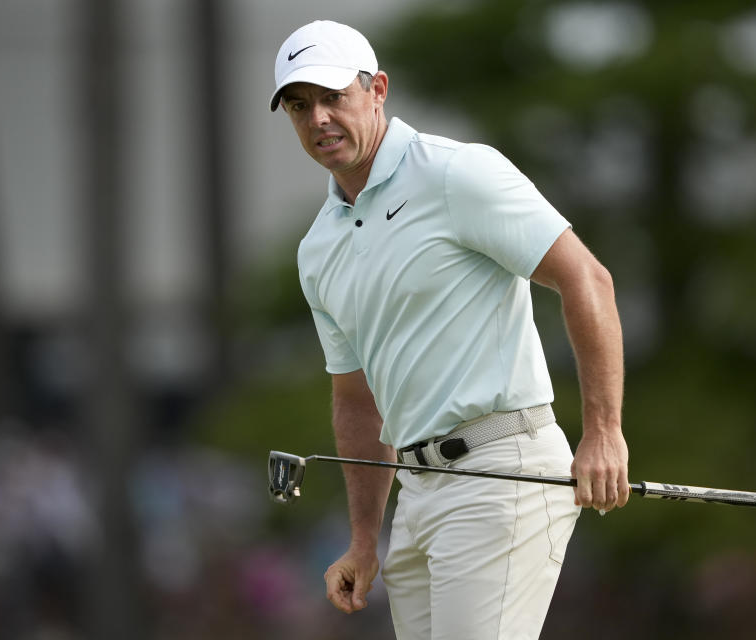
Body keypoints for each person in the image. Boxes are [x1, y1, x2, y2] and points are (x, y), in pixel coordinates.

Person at [269, 19, 629, 640]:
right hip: (418, 493)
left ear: (377, 90)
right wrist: (363, 539)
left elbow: (588, 281)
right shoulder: (318, 248)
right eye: (301, 106)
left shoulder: (457, 173)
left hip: (503, 470)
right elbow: (356, 400)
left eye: (334, 98)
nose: (319, 118)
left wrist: (603, 432)